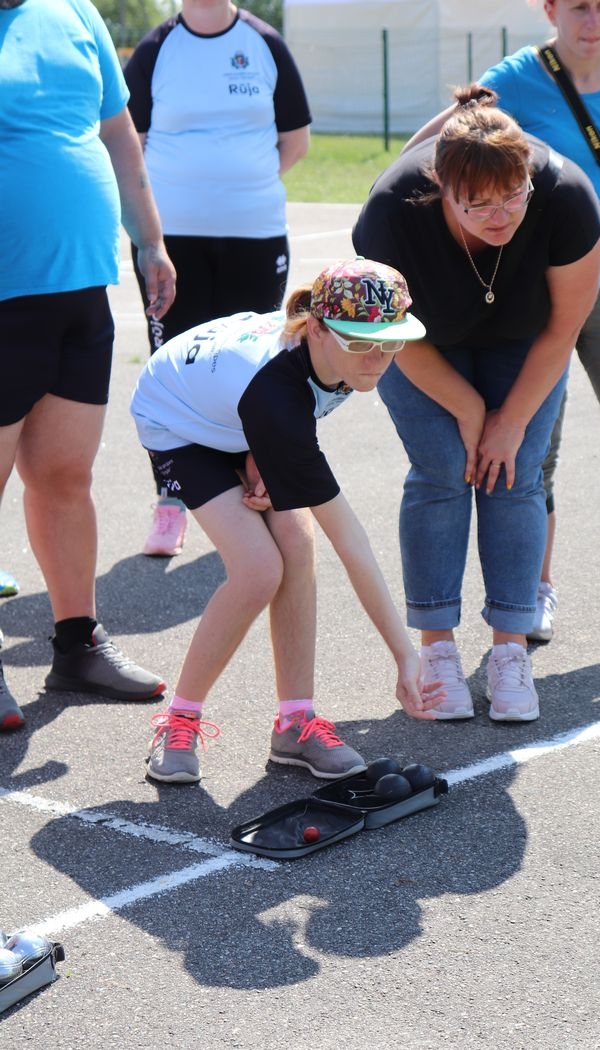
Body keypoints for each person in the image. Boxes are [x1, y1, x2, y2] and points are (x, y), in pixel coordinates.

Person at [404, 0, 600, 654]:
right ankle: (534, 591)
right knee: (537, 453)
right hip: (536, 296)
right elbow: (425, 150)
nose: (590, 20)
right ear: (551, 10)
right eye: (577, 7)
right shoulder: (513, 76)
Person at [130, 258, 445, 784]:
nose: (379, 360)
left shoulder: (333, 358)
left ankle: (294, 722)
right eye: (363, 343)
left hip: (239, 411)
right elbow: (352, 540)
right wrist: (404, 655)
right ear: (318, 329)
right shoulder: (277, 392)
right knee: (258, 570)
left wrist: (261, 450)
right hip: (177, 418)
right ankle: (180, 718)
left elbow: (281, 414)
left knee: (297, 547)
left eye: (391, 343)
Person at [352, 88, 600, 723]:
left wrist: (509, 421)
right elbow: (391, 333)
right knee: (440, 469)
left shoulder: (567, 197)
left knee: (512, 471)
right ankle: (437, 649)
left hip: (527, 339)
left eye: (514, 196)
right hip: (420, 342)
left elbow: (563, 330)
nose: (501, 217)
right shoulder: (390, 213)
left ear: (529, 174)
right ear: (441, 186)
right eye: (479, 206)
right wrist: (467, 408)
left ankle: (510, 649)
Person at [0, 0, 177, 733]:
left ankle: (78, 645)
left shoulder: (75, 11)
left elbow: (117, 134)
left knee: (66, 475)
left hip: (79, 287)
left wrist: (152, 241)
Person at [124, 0, 311, 559]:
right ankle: (172, 501)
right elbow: (126, 146)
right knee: (172, 372)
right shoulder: (156, 51)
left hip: (254, 235)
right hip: (172, 243)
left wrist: (237, 186)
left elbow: (294, 141)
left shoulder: (266, 45)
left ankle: (252, 488)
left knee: (253, 368)